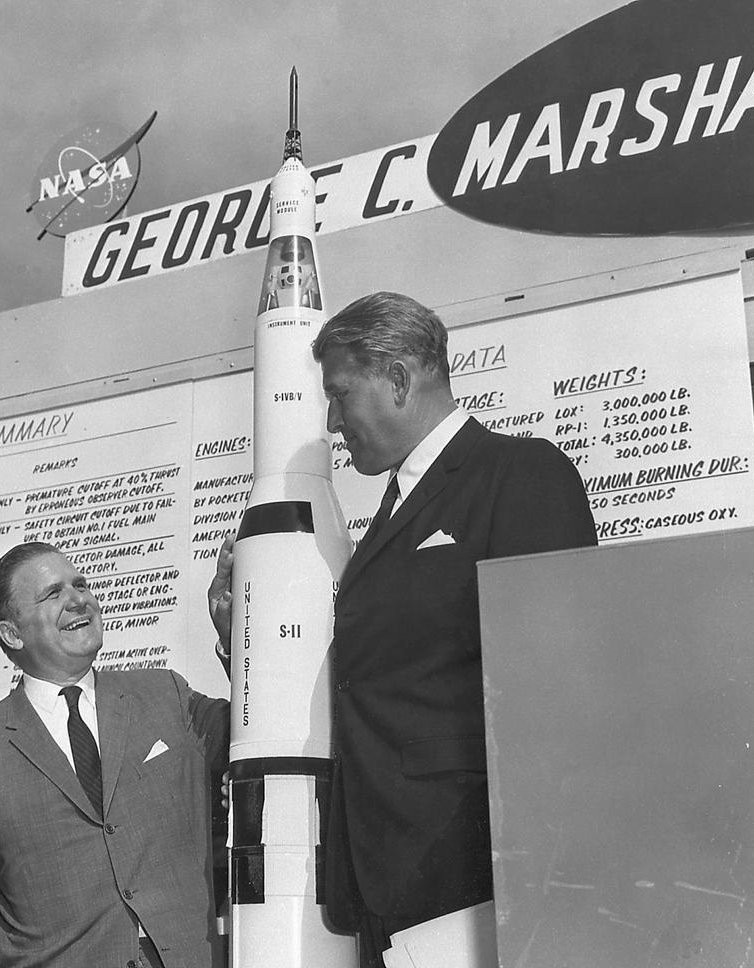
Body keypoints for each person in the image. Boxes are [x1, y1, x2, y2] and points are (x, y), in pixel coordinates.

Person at [209, 292, 597, 968]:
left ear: (397, 378)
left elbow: (556, 692)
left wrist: (542, 885)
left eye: (339, 394)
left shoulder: (519, 475)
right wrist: (241, 647)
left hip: (470, 878)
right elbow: (371, 682)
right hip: (386, 883)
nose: (332, 421)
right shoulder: (394, 513)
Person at [0, 541, 229, 968]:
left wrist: (236, 635)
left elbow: (260, 732)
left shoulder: (166, 694)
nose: (78, 599)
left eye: (79, 585)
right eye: (53, 593)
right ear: (12, 633)